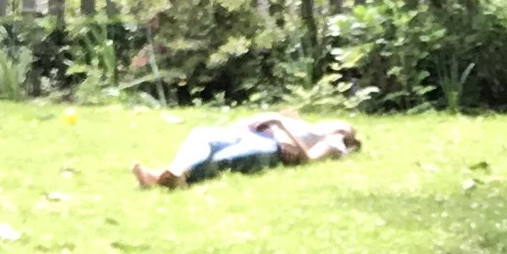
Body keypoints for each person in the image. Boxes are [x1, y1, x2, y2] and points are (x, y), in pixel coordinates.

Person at [133, 111, 362, 190]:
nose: (337, 124)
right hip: (251, 133)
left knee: (223, 159)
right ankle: (173, 172)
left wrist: (280, 125)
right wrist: (267, 121)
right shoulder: (306, 125)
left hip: (270, 147)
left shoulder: (333, 142)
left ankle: (166, 177)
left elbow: (310, 159)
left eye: (344, 127)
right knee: (202, 134)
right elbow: (265, 120)